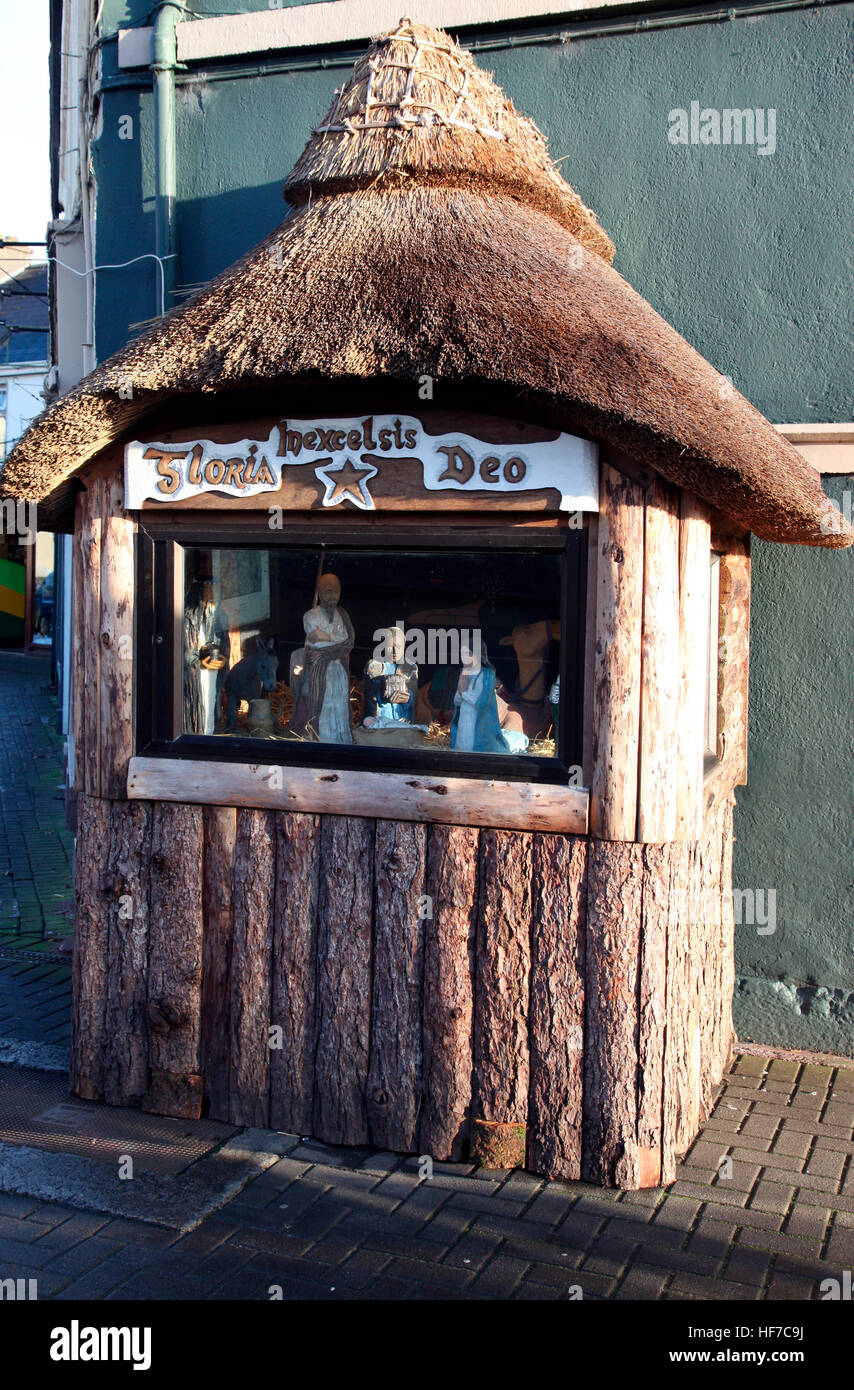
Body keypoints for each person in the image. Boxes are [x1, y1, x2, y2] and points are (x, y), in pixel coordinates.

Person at [289, 573, 354, 742]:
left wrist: (329, 638)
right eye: (328, 591)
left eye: (336, 592)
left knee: (339, 707)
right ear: (319, 592)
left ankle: (341, 742)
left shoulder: (343, 615)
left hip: (339, 672)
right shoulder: (310, 616)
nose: (333, 596)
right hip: (318, 672)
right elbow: (316, 638)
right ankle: (321, 740)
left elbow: (349, 642)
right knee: (322, 707)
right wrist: (337, 640)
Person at [451, 639, 529, 754]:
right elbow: (457, 701)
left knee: (505, 743)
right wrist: (459, 695)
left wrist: (464, 693)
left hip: (481, 730)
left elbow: (483, 701)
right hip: (465, 722)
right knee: (463, 743)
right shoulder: (464, 675)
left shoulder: (486, 676)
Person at [183, 573, 229, 734]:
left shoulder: (220, 617)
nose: (214, 598)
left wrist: (218, 661)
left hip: (212, 674)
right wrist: (199, 659)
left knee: (211, 706)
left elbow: (224, 647)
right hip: (195, 679)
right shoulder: (188, 618)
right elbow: (186, 654)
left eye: (217, 593)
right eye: (209, 592)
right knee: (199, 712)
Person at [363, 626, 419, 727]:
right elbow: (368, 697)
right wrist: (382, 696)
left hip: (402, 718)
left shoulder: (411, 668)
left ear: (404, 647)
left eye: (398, 647)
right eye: (390, 647)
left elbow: (414, 699)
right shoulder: (374, 666)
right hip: (382, 717)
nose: (394, 651)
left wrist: (408, 697)